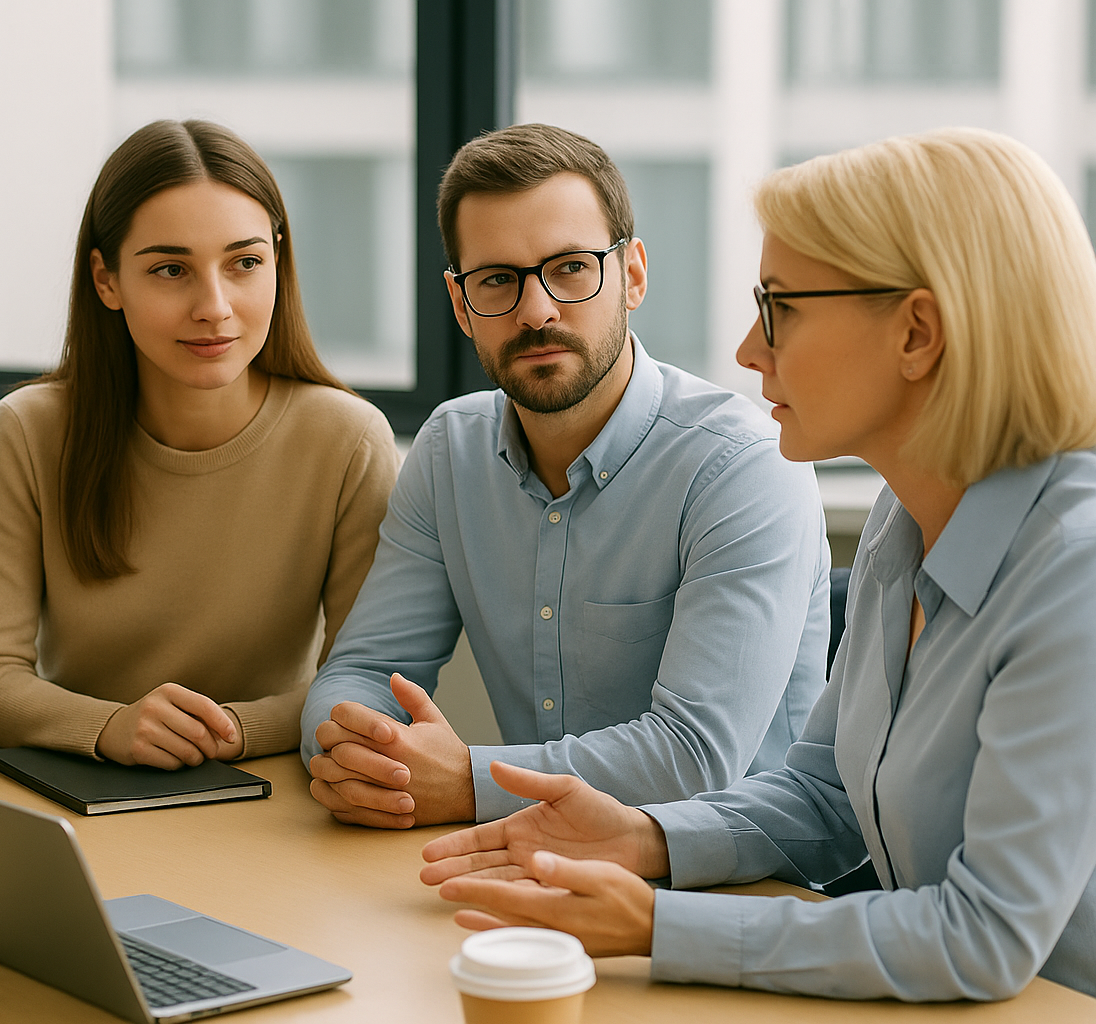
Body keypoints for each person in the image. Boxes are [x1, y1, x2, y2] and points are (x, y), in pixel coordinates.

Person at [420, 127, 1096, 1001]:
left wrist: (655, 925)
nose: (748, 348)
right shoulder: (909, 515)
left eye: (781, 307)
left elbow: (983, 936)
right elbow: (826, 796)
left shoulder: (1073, 574)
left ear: (917, 332)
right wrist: (643, 838)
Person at [300, 123, 829, 828]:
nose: (537, 311)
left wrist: (466, 781)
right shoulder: (450, 450)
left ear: (632, 275)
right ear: (461, 305)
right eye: (497, 281)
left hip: (730, 886)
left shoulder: (741, 467)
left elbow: (694, 756)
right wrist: (367, 756)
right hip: (534, 866)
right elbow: (362, 671)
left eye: (571, 268)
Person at [0, 120, 398, 767]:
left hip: (275, 795)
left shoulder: (347, 439)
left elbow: (367, 680)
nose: (213, 306)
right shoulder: (28, 429)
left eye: (244, 263)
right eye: (170, 269)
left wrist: (234, 731)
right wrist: (109, 727)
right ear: (106, 280)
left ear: (278, 259)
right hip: (82, 788)